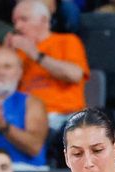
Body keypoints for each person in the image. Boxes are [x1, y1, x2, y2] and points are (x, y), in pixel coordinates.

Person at [6, 0, 90, 132]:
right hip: (26, 119)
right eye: (15, 21)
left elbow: (74, 75)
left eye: (23, 19)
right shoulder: (17, 52)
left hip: (65, 117)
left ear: (44, 20)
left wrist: (35, 54)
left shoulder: (67, 41)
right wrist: (6, 54)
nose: (18, 26)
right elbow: (4, 91)